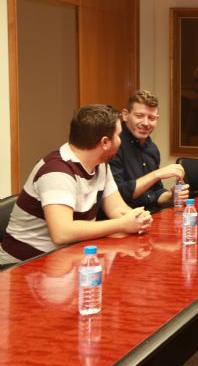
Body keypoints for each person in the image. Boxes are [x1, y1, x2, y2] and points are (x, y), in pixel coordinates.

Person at [0, 104, 153, 265]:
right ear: (105, 142)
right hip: (23, 266)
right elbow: (62, 233)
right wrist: (122, 224)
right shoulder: (57, 171)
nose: (120, 141)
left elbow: (117, 209)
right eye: (118, 136)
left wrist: (138, 219)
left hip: (64, 259)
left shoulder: (100, 164)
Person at [109, 90, 190, 211]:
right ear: (125, 115)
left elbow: (155, 192)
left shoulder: (152, 148)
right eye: (139, 116)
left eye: (151, 118)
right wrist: (157, 174)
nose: (146, 123)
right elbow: (118, 195)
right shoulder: (114, 145)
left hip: (151, 216)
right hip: (124, 219)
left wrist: (172, 197)